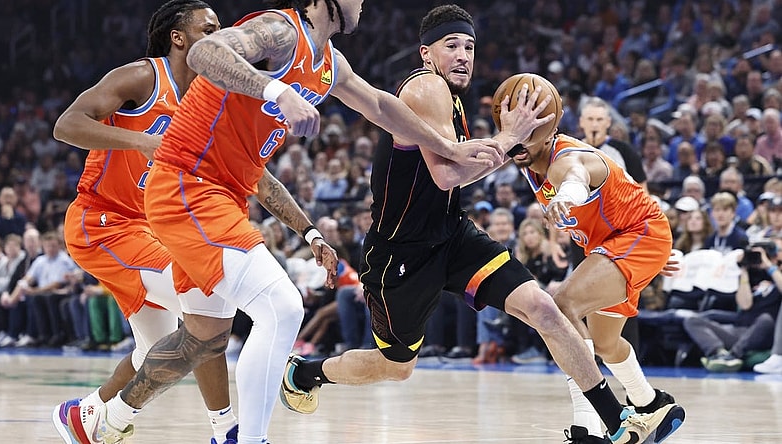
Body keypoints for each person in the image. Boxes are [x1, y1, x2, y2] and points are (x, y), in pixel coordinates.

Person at [66, 2, 504, 444]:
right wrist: (276, 91)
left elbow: (378, 105)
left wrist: (448, 149)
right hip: (186, 186)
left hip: (224, 195)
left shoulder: (330, 62)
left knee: (202, 340)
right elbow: (204, 55)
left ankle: (103, 418)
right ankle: (244, 438)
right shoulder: (280, 30)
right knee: (282, 306)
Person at [279, 5, 683, 444]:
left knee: (546, 308)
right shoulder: (426, 87)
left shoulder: (455, 99)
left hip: (452, 234)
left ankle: (615, 419)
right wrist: (509, 139)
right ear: (426, 53)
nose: (463, 55)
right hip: (401, 252)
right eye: (451, 45)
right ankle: (308, 371)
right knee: (395, 366)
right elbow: (447, 174)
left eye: (469, 47)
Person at [50, 2, 239, 444]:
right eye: (208, 28)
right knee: (203, 300)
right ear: (179, 37)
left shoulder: (207, 99)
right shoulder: (142, 77)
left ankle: (88, 415)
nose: (220, 33)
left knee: (154, 352)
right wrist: (142, 141)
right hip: (103, 223)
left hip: (151, 229)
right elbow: (66, 124)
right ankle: (226, 430)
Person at [511, 75, 686, 441]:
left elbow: (575, 176)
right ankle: (650, 403)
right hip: (615, 245)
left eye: (532, 127)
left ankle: (586, 427)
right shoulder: (528, 161)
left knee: (561, 305)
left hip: (638, 234)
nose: (521, 136)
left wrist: (566, 196)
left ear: (551, 126)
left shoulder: (565, 158)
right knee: (605, 343)